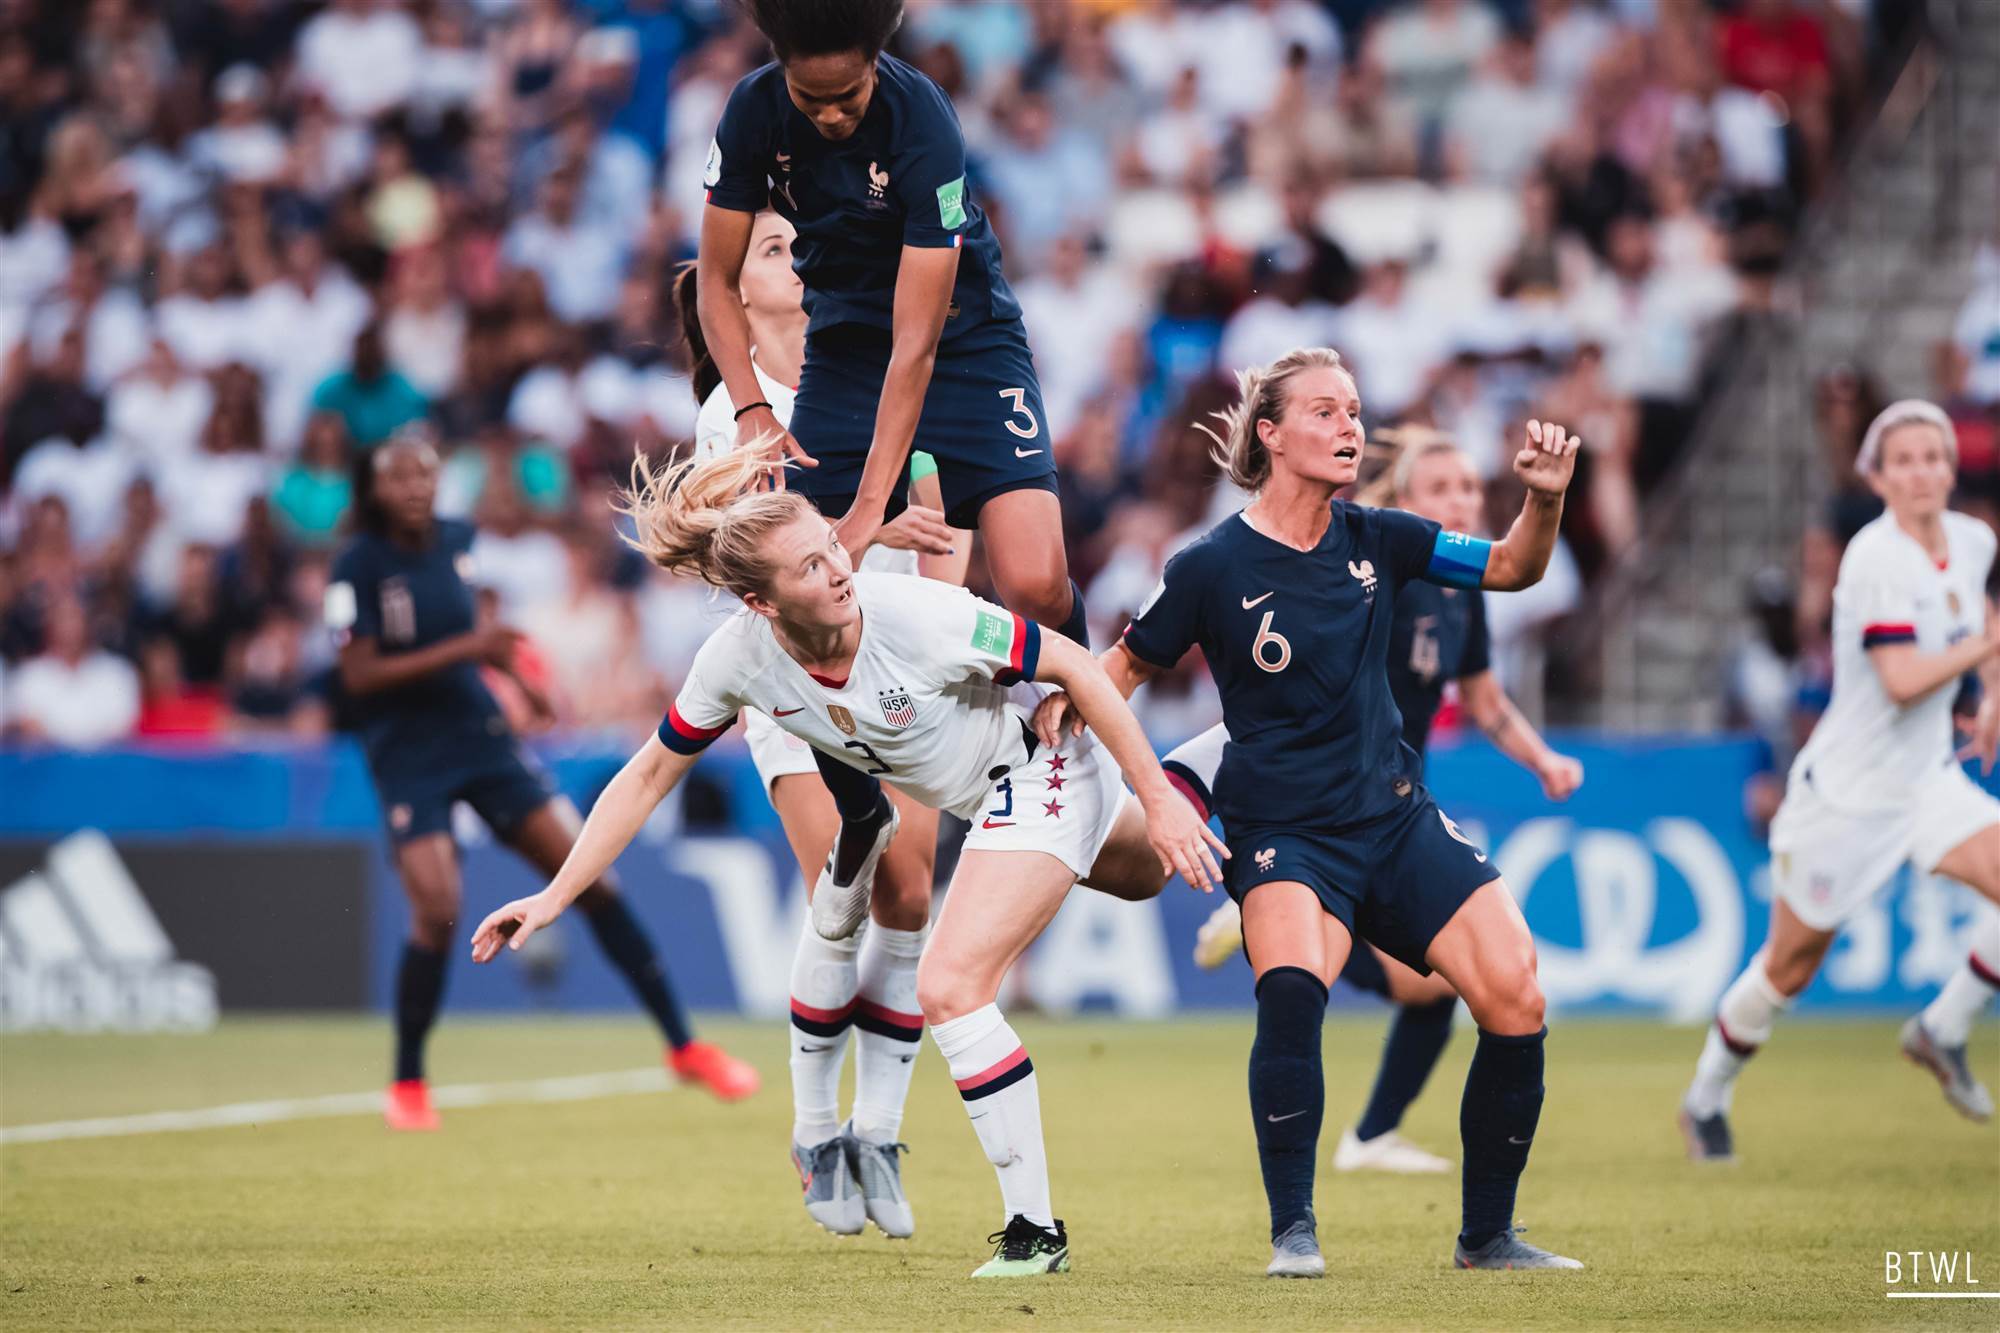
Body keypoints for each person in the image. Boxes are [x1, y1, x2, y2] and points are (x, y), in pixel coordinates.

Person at [469, 445, 1226, 1278]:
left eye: (832, 547)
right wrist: (554, 891)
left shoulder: (912, 615)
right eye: (811, 564)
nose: (838, 569)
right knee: (1140, 873)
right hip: (989, 802)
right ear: (759, 602)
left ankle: (1034, 1232)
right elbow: (649, 772)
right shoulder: (739, 659)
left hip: (1040, 763)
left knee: (949, 984)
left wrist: (1151, 796)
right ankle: (1238, 748)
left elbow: (1075, 664)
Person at [1035, 348, 1585, 1276]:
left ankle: (1488, 1237)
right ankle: (1295, 1232)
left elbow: (1515, 569)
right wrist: (1065, 709)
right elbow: (1123, 666)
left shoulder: (1385, 536)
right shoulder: (1208, 566)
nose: (1350, 427)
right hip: (1286, 834)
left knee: (1517, 993)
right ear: (1271, 432)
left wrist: (1547, 498)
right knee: (1292, 990)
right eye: (1326, 412)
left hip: (1397, 817)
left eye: (1356, 411)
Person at [697, 0, 1088, 892]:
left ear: (878, 60)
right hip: (842, 340)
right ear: (783, 71)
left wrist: (872, 507)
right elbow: (716, 287)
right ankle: (855, 789)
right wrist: (756, 409)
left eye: (848, 99)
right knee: (812, 567)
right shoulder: (752, 113)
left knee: (1033, 580)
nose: (832, 116)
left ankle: (1074, 712)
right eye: (813, 100)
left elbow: (914, 349)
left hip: (965, 340)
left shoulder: (924, 125)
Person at [1177, 431, 1586, 1176]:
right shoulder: (1367, 575)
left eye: (1468, 485)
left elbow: (1486, 701)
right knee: (1397, 986)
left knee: (1459, 986)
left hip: (1394, 810)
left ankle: (1372, 1135)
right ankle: (1352, 1140)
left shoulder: (1460, 595)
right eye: (1440, 488)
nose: (1461, 499)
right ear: (1399, 502)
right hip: (1314, 820)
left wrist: (1543, 759)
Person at [673, 213, 968, 1239]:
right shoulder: (732, 415)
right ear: (735, 296)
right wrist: (872, 526)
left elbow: (941, 512)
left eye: (795, 240)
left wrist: (948, 625)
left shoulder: (876, 369)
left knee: (912, 892)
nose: (789, 256)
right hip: (794, 678)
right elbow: (753, 553)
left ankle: (877, 1131)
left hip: (898, 661)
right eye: (765, 249)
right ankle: (811, 1130)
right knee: (846, 886)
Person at [326, 436, 758, 1131]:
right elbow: (359, 678)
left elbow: (470, 641)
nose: (415, 486)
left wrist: (520, 685)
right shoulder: (356, 566)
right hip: (407, 753)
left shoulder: (454, 541)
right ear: (373, 488)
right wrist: (475, 650)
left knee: (591, 879)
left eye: (426, 473)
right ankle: (407, 1081)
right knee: (437, 905)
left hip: (480, 738)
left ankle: (684, 1045)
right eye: (398, 475)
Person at [1680, 401, 2000, 1157]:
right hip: (1848, 798)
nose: (1922, 471)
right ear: (1877, 475)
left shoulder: (1974, 538)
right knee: (1788, 967)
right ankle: (1705, 1095)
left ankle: (1942, 1028)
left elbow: (1977, 612)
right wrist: (1985, 646)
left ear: (1951, 469)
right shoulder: (1873, 557)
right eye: (1906, 459)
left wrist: (1990, 687)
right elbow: (1901, 679)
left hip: (1926, 781)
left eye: (1934, 456)